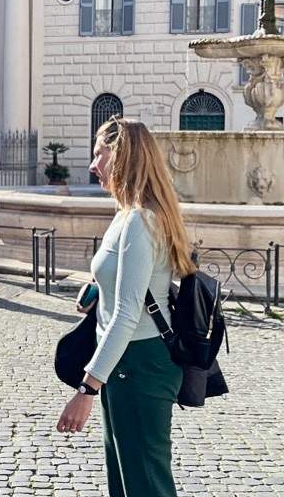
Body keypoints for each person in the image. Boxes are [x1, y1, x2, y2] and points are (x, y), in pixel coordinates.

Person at [56, 117, 196, 497]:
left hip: (139, 362)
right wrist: (97, 289)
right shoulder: (128, 214)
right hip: (126, 362)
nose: (92, 164)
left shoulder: (139, 220)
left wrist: (86, 390)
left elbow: (129, 313)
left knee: (145, 483)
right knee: (126, 479)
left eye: (99, 153)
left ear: (121, 156)